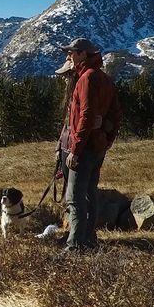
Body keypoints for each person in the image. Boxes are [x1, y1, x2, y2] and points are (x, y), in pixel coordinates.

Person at [57, 37, 121, 253]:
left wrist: (75, 149)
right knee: (89, 193)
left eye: (71, 53)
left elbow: (85, 116)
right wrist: (107, 138)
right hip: (96, 147)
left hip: (82, 148)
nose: (68, 57)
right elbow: (115, 114)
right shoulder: (103, 78)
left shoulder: (87, 78)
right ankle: (89, 238)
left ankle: (75, 243)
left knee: (74, 197)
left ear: (82, 54)